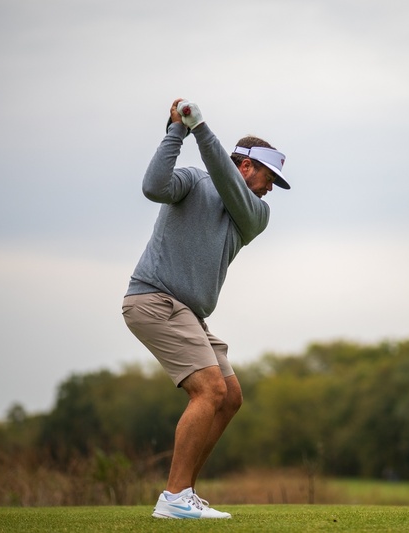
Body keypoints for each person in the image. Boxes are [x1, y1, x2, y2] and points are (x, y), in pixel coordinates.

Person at [122, 98, 290, 519]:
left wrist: (201, 128)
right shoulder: (193, 181)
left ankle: (185, 493)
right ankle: (175, 497)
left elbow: (227, 184)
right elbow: (153, 188)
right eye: (269, 177)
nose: (271, 188)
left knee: (229, 397)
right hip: (154, 299)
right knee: (210, 390)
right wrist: (177, 131)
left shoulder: (255, 213)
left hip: (187, 314)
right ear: (247, 166)